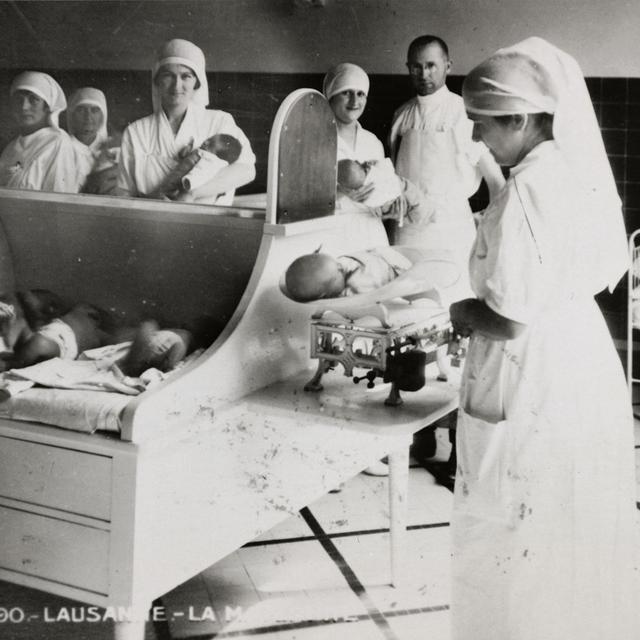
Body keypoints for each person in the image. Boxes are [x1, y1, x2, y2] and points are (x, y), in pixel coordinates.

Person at [448, 37, 639, 640]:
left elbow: (508, 318)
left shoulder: (525, 193)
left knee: (514, 526)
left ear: (521, 118)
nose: (477, 139)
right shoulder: (563, 174)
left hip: (530, 371)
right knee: (565, 523)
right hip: (576, 359)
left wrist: (462, 310)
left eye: (482, 125)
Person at [389, 35, 504, 271]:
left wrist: (490, 230)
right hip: (407, 229)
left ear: (447, 66)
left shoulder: (462, 113)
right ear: (408, 68)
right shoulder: (402, 115)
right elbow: (392, 179)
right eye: (416, 67)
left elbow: (496, 181)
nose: (424, 74)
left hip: (451, 229)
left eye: (431, 65)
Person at [117, 38, 255, 205]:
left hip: (208, 224)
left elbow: (246, 170)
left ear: (197, 82)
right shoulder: (136, 131)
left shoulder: (219, 121)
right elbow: (124, 193)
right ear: (157, 81)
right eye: (168, 76)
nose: (177, 86)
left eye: (186, 76)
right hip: (153, 223)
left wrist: (193, 193)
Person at [323, 63, 434, 240]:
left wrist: (390, 209)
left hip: (371, 232)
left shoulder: (372, 142)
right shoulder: (315, 142)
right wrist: (341, 193)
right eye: (346, 93)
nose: (354, 101)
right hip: (332, 233)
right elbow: (302, 197)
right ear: (330, 96)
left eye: (360, 94)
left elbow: (384, 189)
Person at [284, 245, 458, 303]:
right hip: (397, 278)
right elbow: (374, 293)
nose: (341, 267)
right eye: (338, 271)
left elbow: (363, 257)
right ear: (325, 295)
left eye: (338, 264)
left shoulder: (344, 263)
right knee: (420, 288)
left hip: (391, 261)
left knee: (434, 263)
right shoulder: (354, 289)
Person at [0, 71, 77, 193]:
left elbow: (59, 199)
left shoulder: (58, 142)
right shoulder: (10, 148)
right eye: (19, 100)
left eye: (33, 100)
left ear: (47, 106)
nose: (24, 107)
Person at [66, 87, 120, 195]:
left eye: (95, 110)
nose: (88, 116)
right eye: (81, 110)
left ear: (103, 115)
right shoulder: (62, 147)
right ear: (72, 115)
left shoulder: (115, 148)